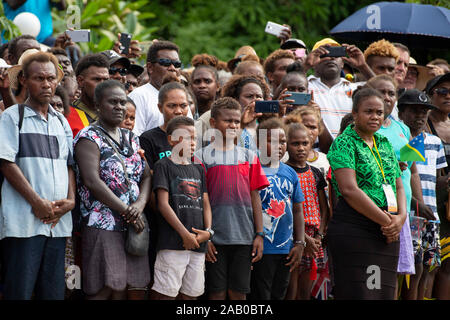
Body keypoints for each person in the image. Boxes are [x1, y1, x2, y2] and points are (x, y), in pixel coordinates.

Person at [0, 51, 74, 300]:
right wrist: (37, 202)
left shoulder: (61, 122)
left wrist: (71, 201)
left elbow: (69, 165)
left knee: (53, 293)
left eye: (51, 78)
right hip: (24, 223)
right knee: (18, 291)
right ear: (24, 80)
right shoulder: (12, 117)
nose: (46, 84)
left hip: (58, 224)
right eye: (39, 78)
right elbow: (6, 163)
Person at [73, 80, 151, 300]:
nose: (119, 107)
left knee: (127, 287)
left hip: (134, 221)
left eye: (122, 102)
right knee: (104, 287)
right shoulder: (89, 137)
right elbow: (92, 181)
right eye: (112, 102)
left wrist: (138, 206)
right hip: (102, 222)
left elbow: (146, 176)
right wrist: (127, 210)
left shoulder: (132, 138)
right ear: (98, 105)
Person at [326, 87, 406, 299]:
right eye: (368, 111)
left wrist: (401, 218)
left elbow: (398, 185)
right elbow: (349, 190)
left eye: (379, 112)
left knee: (382, 292)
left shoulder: (384, 143)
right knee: (361, 292)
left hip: (387, 230)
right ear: (355, 113)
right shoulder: (344, 142)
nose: (375, 117)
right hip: (356, 228)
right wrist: (387, 222)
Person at [194, 97, 269, 300]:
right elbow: (199, 200)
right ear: (213, 124)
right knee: (216, 292)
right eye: (227, 120)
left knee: (239, 292)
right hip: (214, 237)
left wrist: (260, 234)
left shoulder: (249, 156)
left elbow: (256, 196)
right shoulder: (200, 157)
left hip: (244, 236)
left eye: (236, 121)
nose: (233, 125)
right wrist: (206, 237)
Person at [151, 116, 212, 300]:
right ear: (171, 139)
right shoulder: (164, 165)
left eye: (194, 138)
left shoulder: (198, 168)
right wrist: (184, 234)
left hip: (198, 244)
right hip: (172, 243)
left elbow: (206, 203)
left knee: (191, 294)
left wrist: (208, 232)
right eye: (186, 137)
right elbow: (162, 204)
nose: (192, 142)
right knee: (166, 293)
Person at [397, 89, 447, 300]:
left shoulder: (435, 142)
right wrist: (417, 204)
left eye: (424, 112)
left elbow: (437, 178)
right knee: (412, 269)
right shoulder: (398, 139)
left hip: (430, 212)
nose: (420, 116)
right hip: (408, 211)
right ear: (401, 112)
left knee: (429, 266)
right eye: (414, 111)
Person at [249, 118, 305, 300]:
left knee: (279, 293)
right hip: (261, 247)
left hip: (285, 248)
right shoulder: (251, 168)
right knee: (260, 295)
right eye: (272, 141)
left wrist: (300, 242)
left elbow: (297, 210)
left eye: (282, 141)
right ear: (258, 142)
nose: (279, 146)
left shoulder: (289, 172)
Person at [284, 123, 329, 300]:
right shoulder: (284, 171)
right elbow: (287, 210)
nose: (301, 148)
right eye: (295, 144)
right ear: (286, 144)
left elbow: (323, 209)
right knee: (291, 288)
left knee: (306, 289)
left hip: (314, 238)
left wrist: (318, 236)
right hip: (294, 237)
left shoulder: (316, 172)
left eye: (305, 143)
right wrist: (303, 238)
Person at [303, 38, 371, 142]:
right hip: (313, 154)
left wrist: (363, 66)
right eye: (324, 54)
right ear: (314, 63)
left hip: (348, 153)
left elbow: (384, 92)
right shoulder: (305, 86)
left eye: (336, 54)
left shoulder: (356, 89)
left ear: (342, 63)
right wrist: (305, 65)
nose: (331, 58)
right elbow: (286, 86)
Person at [129, 40, 192, 136]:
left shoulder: (182, 96)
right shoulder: (138, 96)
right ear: (150, 67)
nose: (172, 68)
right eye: (166, 63)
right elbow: (134, 138)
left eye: (177, 64)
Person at [424, 73, 450, 300]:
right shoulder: (423, 124)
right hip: (432, 200)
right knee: (432, 264)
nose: (448, 96)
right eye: (442, 91)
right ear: (430, 94)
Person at [139, 82, 190, 172]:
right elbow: (148, 175)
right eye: (172, 106)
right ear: (160, 107)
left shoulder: (195, 137)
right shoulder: (148, 139)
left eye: (183, 106)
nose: (178, 111)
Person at [66, 53, 110, 138]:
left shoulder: (114, 115)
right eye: (97, 79)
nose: (103, 85)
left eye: (106, 80)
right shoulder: (67, 115)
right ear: (80, 81)